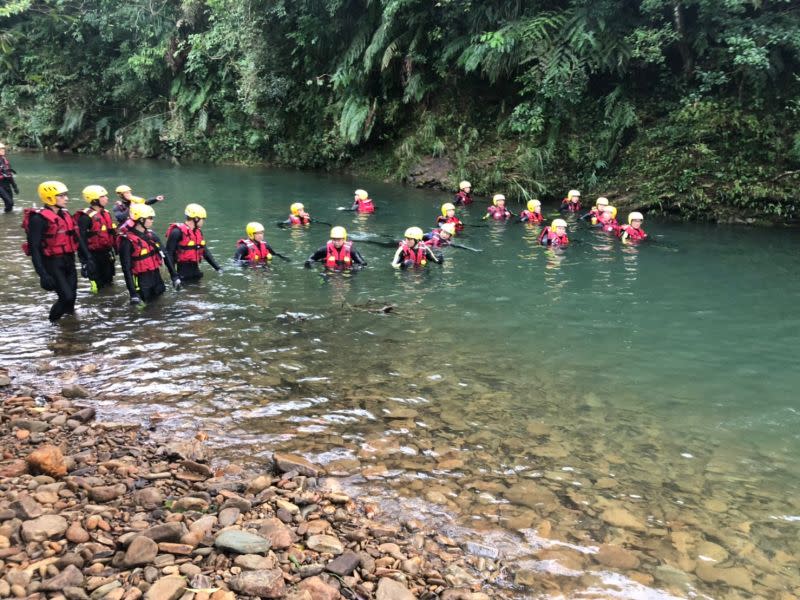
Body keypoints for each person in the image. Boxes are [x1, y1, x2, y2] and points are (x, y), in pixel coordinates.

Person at [23, 181, 91, 322]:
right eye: (61, 196)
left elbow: (77, 238)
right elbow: (34, 249)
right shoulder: (38, 219)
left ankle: (69, 329)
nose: (66, 198)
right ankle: (52, 325)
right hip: (53, 263)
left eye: (65, 195)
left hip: (69, 260)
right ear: (49, 198)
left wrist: (88, 259)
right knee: (66, 297)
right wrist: (42, 274)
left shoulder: (66, 215)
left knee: (72, 299)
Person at [118, 204, 179, 305]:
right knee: (146, 308)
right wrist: (133, 293)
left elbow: (165, 254)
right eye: (150, 218)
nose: (152, 220)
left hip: (156, 277)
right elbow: (126, 269)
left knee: (161, 304)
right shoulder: (127, 241)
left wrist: (174, 276)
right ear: (141, 220)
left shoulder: (152, 235)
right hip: (141, 281)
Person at [75, 185, 117, 293]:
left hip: (106, 253)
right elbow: (81, 239)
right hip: (92, 255)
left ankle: (108, 301)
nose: (107, 198)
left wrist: (116, 248)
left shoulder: (106, 213)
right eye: (103, 196)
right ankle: (96, 301)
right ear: (94, 200)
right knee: (96, 284)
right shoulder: (85, 217)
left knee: (109, 280)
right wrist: (85, 260)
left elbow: (111, 233)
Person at [165, 203, 221, 282]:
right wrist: (174, 276)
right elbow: (169, 254)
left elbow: (205, 252)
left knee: (199, 292)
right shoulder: (177, 232)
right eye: (203, 219)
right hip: (181, 273)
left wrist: (218, 268)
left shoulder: (198, 232)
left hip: (195, 271)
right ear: (196, 218)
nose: (203, 221)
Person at [0, 142, 19, 213]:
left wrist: (15, 187)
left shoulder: (5, 160)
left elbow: (9, 174)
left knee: (10, 205)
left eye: (3, 149)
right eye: (1, 149)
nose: (3, 150)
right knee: (9, 202)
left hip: (6, 183)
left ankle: (7, 218)